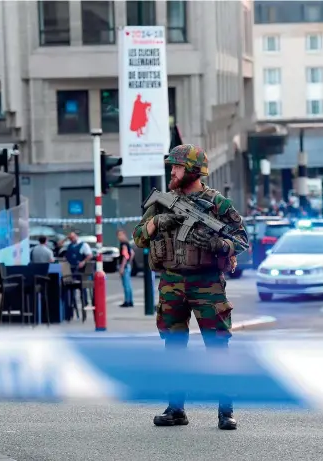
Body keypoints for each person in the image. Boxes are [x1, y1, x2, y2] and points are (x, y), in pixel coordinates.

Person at [132, 144, 249, 431]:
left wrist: (218, 244)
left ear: (193, 171)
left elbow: (243, 240)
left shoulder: (217, 203)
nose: (172, 171)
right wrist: (158, 222)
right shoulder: (163, 202)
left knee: (218, 347)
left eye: (178, 167)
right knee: (173, 347)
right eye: (172, 166)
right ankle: (176, 409)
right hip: (171, 282)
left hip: (206, 282)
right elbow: (138, 238)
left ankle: (226, 411)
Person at [63, 231, 93, 306]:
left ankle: (84, 302)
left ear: (76, 236)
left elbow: (89, 255)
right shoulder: (69, 245)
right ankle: (71, 303)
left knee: (82, 286)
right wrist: (65, 238)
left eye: (72, 237)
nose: (71, 239)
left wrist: (83, 262)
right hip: (70, 270)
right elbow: (59, 245)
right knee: (68, 285)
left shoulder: (84, 245)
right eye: (70, 238)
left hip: (80, 270)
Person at [117, 230, 135, 307]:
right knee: (129, 284)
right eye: (118, 235)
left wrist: (122, 267)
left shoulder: (123, 244)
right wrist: (129, 262)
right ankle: (130, 300)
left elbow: (125, 255)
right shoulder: (127, 243)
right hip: (128, 266)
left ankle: (127, 301)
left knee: (126, 285)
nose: (119, 237)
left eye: (120, 235)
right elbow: (132, 253)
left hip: (125, 266)